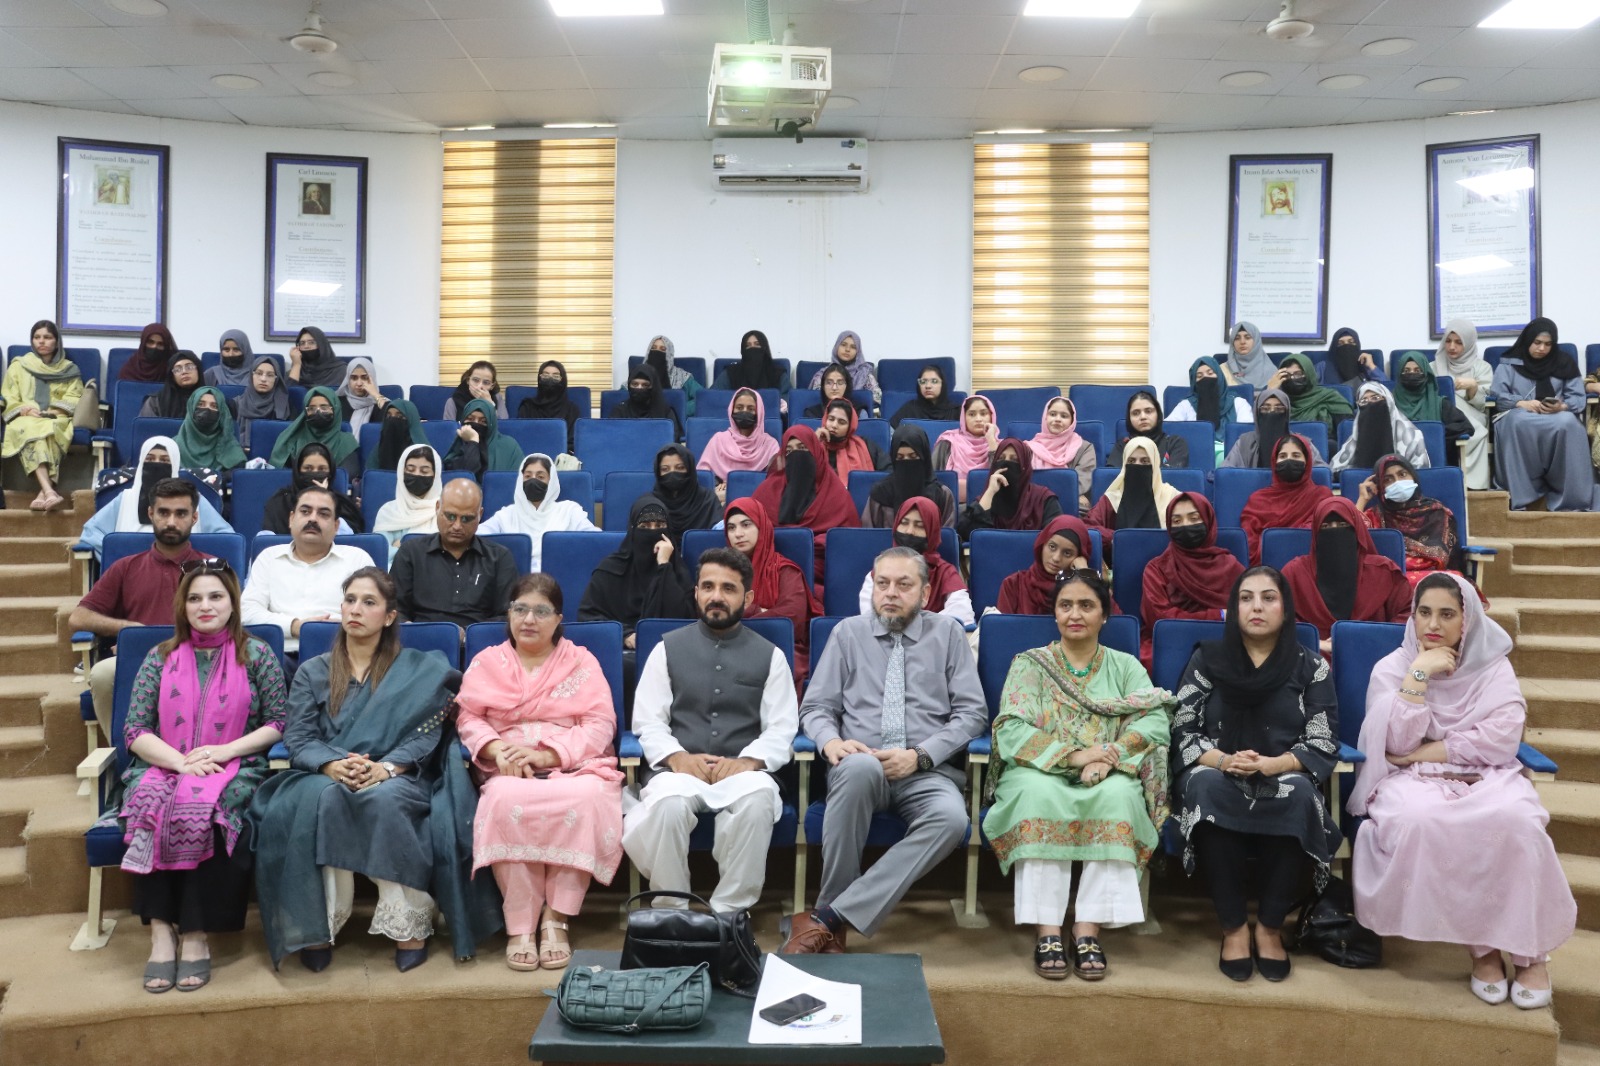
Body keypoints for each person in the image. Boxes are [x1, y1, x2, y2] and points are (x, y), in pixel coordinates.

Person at [249, 568, 497, 971]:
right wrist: (332, 765)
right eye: (350, 600)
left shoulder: (418, 670)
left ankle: (408, 923)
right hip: (325, 774)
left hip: (398, 776)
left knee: (384, 801)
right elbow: (299, 737)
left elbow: (426, 735)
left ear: (389, 616)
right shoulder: (313, 671)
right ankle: (320, 923)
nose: (355, 610)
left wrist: (386, 768)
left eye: (369, 602)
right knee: (324, 800)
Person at [1350, 573, 1575, 1009]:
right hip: (1410, 780)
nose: (1433, 624)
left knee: (1518, 821)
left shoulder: (1493, 668)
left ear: (1467, 621)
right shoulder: (1393, 668)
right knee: (1420, 819)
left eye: (1447, 614)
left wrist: (1428, 750)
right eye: (1424, 612)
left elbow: (1502, 738)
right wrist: (1419, 673)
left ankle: (1529, 953)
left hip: (1487, 773)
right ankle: (1483, 949)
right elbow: (1395, 744)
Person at [783, 547, 987, 954]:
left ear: (925, 593)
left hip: (925, 770)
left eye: (903, 584)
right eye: (883, 584)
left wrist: (920, 755)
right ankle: (833, 916)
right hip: (862, 763)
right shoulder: (848, 634)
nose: (891, 593)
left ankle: (829, 918)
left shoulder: (948, 635)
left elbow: (972, 713)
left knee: (951, 819)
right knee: (859, 769)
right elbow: (816, 708)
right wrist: (832, 742)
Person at [982, 568, 1171, 980]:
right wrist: (1075, 756)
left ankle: (1087, 928)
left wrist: (1111, 757)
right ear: (1054, 613)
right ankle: (1048, 929)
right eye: (1065, 605)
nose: (1075, 614)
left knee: (1119, 797)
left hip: (1107, 770)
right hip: (1041, 768)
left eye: (1087, 605)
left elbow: (1155, 720)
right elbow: (1010, 728)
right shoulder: (1030, 664)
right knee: (1035, 795)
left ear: (1104, 615)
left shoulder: (1124, 666)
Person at [118, 560, 288, 993]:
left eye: (216, 596)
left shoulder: (258, 655)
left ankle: (195, 933)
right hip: (164, 763)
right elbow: (135, 730)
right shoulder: (160, 657)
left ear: (233, 603)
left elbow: (278, 722)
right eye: (194, 598)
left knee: (208, 806)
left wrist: (224, 751)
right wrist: (180, 763)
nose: (205, 606)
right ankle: (161, 932)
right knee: (151, 804)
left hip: (235, 763)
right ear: (182, 605)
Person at [1170, 566, 1342, 982]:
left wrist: (1273, 764)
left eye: (1268, 598)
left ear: (1286, 608)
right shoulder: (1207, 659)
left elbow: (1322, 739)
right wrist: (1223, 760)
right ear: (1233, 608)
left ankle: (1268, 927)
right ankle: (1233, 928)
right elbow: (1182, 729)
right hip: (1217, 769)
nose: (1257, 607)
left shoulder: (1310, 666)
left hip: (1283, 771)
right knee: (1208, 788)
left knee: (1297, 794)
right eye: (1246, 598)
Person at [457, 573, 624, 971]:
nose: (529, 619)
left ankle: (556, 917)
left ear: (558, 618)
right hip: (508, 765)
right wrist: (497, 750)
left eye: (541, 611)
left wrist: (548, 755)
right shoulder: (488, 662)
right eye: (520, 609)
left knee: (587, 799)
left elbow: (600, 724)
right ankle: (520, 924)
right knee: (504, 800)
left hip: (574, 764)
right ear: (508, 613)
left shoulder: (580, 661)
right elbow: (468, 717)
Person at [624, 548, 798, 912]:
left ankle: (729, 914)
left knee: (758, 802)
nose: (716, 596)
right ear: (697, 592)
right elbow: (648, 720)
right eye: (708, 586)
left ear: (747, 598)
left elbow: (782, 727)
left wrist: (748, 761)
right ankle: (671, 910)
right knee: (668, 807)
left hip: (742, 773)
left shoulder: (770, 656)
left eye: (728, 588)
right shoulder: (666, 649)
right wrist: (677, 757)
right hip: (679, 772)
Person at [70, 478, 212, 742]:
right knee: (102, 673)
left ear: (194, 517)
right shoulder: (126, 567)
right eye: (163, 513)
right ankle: (124, 751)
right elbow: (78, 617)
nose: (171, 522)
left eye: (181, 514)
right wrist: (129, 632)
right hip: (140, 659)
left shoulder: (211, 568)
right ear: (150, 514)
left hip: (200, 658)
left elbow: (233, 623)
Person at [241, 484, 376, 657]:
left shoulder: (357, 559)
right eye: (305, 512)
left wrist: (322, 632)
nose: (313, 519)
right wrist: (295, 626)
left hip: (339, 655)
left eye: (323, 514)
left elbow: (372, 612)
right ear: (291, 519)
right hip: (277, 656)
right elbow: (247, 612)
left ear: (336, 526)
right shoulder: (269, 557)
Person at [1281, 496, 1412, 651]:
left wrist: (1370, 640)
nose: (1335, 532)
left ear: (1357, 530)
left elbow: (1408, 615)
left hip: (1373, 653)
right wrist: (1315, 643)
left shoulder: (1384, 571)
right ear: (1316, 533)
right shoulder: (1295, 573)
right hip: (1310, 654)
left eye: (1343, 525)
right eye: (1326, 526)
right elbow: (1280, 619)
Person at [1492, 317, 1592, 512]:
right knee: (1514, 421)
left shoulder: (1564, 362)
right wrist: (1521, 402)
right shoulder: (1509, 362)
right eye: (1537, 342)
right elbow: (1497, 396)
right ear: (1528, 340)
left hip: (1556, 415)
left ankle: (1570, 498)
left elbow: (1579, 398)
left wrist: (1561, 407)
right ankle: (1523, 496)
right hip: (1521, 413)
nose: (1542, 348)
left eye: (1548, 344)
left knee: (1569, 423)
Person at [390, 478, 518, 629]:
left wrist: (470, 634)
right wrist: (412, 631)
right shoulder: (410, 553)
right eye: (450, 516)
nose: (457, 526)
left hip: (479, 641)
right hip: (420, 640)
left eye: (466, 519)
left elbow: (507, 615)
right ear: (437, 508)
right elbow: (394, 608)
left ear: (480, 515)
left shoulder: (499, 558)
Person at [578, 495, 694, 660]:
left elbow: (684, 620)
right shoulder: (610, 570)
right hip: (620, 656)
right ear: (633, 530)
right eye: (644, 526)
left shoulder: (678, 571)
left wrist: (664, 565)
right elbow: (587, 616)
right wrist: (624, 634)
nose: (652, 532)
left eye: (660, 526)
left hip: (669, 654)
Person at [76, 438, 232, 560]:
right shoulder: (125, 499)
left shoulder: (192, 498)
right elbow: (92, 532)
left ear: (175, 465)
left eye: (164, 461)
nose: (156, 465)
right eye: (149, 460)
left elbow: (226, 537)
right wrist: (120, 556)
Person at [1140, 493, 1243, 662]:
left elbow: (1244, 612)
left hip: (1224, 640)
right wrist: (1218, 615)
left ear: (1208, 521)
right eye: (1177, 521)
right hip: (1173, 641)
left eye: (1194, 518)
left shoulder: (1231, 566)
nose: (1186, 525)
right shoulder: (1156, 569)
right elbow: (1160, 619)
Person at [723, 497, 819, 679]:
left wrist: (744, 613)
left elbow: (792, 615)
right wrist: (759, 610)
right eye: (731, 528)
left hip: (778, 645)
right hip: (728, 644)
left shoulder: (784, 570)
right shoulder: (721, 572)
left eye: (746, 525)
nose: (738, 534)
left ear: (761, 527)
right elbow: (714, 611)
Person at [752, 426, 861, 571]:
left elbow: (848, 543)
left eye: (802, 448)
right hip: (772, 569)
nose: (796, 455)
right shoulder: (767, 491)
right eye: (789, 451)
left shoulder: (836, 494)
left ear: (815, 452)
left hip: (823, 571)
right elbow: (753, 533)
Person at [1354, 453, 1469, 588]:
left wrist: (1399, 563)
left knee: (1455, 580)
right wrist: (1362, 500)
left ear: (1413, 477)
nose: (1397, 482)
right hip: (1390, 575)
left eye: (1402, 474)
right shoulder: (1374, 515)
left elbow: (1442, 557)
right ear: (1380, 487)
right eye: (1388, 479)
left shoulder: (1437, 511)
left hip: (1433, 577)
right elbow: (1353, 540)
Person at [4, 319, 82, 510]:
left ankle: (44, 493)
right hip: (25, 418)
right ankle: (48, 490)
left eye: (47, 337)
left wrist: (54, 411)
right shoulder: (19, 366)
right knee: (35, 431)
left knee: (50, 429)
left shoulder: (69, 369)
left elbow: (75, 396)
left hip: (56, 417)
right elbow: (9, 395)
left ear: (57, 341)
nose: (41, 341)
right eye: (37, 337)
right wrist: (24, 409)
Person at [859, 497, 971, 627]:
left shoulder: (944, 572)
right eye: (904, 523)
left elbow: (962, 613)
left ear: (931, 532)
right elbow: (869, 616)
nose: (909, 531)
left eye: (919, 526)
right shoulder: (880, 570)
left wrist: (915, 628)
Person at [480, 452, 598, 571]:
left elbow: (594, 538)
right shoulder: (507, 514)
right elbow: (479, 534)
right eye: (528, 476)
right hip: (517, 576)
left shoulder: (569, 510)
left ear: (551, 481)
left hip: (558, 573)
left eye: (540, 477)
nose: (533, 481)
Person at [1239, 434, 1332, 563]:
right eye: (1283, 456)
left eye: (1296, 456)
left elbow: (1323, 536)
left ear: (1307, 461)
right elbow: (1248, 543)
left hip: (1310, 565)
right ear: (1274, 461)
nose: (1289, 460)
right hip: (1266, 568)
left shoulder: (1322, 496)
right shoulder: (1258, 500)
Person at [1084, 437, 1179, 561]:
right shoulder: (1112, 498)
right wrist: (1116, 538)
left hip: (1165, 564)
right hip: (1120, 563)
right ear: (1124, 465)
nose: (1137, 465)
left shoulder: (1171, 496)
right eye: (1131, 461)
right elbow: (1087, 527)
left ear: (1155, 464)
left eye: (1145, 461)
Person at [958, 437, 1062, 538]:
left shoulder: (1043, 499)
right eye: (1001, 458)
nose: (1006, 463)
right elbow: (966, 534)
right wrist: (990, 492)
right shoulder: (986, 499)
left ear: (1025, 467)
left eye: (1014, 460)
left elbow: (1056, 535)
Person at [1434, 318, 1493, 490]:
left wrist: (1473, 386)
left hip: (1473, 417)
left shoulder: (1482, 368)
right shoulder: (1432, 367)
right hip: (1443, 417)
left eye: (1459, 342)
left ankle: (1474, 487)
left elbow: (1483, 405)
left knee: (1477, 431)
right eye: (1448, 341)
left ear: (1468, 343)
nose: (1452, 347)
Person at [997, 516, 1093, 616]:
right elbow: (1002, 626)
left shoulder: (1081, 592)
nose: (1056, 558)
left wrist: (1085, 574)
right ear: (1042, 545)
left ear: (1079, 557)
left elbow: (1101, 620)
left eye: (1067, 553)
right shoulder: (1013, 585)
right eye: (1052, 547)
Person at [261, 442, 363, 537]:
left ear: (330, 472)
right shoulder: (280, 502)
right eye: (308, 468)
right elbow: (266, 540)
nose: (315, 473)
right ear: (298, 471)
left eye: (321, 469)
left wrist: (324, 498)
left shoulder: (343, 504)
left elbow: (349, 539)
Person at [863, 424, 955, 528]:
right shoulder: (880, 493)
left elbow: (946, 534)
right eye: (900, 457)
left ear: (924, 457)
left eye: (913, 456)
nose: (907, 463)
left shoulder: (941, 495)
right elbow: (869, 533)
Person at [1330, 381, 1430, 474]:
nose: (1370, 404)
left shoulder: (1412, 436)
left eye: (1375, 398)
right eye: (1364, 401)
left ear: (1388, 401)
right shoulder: (1354, 439)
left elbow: (1420, 473)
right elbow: (1336, 470)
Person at [269, 386, 361, 486]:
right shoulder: (293, 439)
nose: (318, 412)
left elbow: (346, 476)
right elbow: (280, 474)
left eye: (324, 407)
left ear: (335, 409)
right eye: (312, 408)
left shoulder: (347, 442)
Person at [1220, 388, 1329, 470]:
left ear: (1287, 412)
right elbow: (1226, 473)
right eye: (1265, 408)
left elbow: (1322, 472)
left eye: (1279, 408)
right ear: (1257, 413)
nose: (1272, 412)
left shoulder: (1301, 443)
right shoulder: (1244, 443)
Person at [1167, 357, 1252, 459]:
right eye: (1199, 376)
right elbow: (1168, 429)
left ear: (1219, 376)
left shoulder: (1238, 403)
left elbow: (1247, 433)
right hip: (1196, 457)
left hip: (1233, 457)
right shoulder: (1187, 405)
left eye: (1210, 373)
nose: (1205, 378)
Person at [697, 387, 779, 489]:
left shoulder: (770, 444)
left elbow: (775, 478)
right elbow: (703, 474)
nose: (744, 412)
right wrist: (718, 484)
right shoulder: (718, 440)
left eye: (751, 409)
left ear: (759, 412)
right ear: (732, 411)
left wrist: (735, 484)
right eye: (739, 408)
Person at [1028, 397, 1096, 514]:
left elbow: (1081, 482)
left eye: (1064, 416)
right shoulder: (1029, 448)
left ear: (1072, 421)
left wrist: (1072, 494)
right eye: (1053, 414)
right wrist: (1073, 494)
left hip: (1069, 506)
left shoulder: (1084, 448)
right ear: (1045, 417)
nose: (1057, 419)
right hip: (1034, 505)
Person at [372, 444, 442, 551]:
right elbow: (381, 552)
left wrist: (403, 546)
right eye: (410, 470)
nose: (417, 475)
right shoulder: (388, 511)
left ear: (435, 475)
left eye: (424, 471)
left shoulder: (443, 512)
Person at [1269, 353, 1353, 438]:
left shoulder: (1330, 397)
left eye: (1298, 374)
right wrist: (1270, 392)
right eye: (1286, 375)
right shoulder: (1278, 401)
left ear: (1309, 374)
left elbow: (1347, 434)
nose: (1292, 378)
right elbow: (1266, 430)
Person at [933, 396, 999, 504]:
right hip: (952, 506)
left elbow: (1002, 479)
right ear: (963, 418)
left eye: (983, 414)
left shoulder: (1000, 446)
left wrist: (991, 441)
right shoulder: (948, 441)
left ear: (991, 416)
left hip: (990, 505)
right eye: (971, 414)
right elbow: (933, 477)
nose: (978, 419)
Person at [444, 397, 523, 479]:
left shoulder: (509, 446)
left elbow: (519, 480)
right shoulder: (457, 446)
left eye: (483, 421)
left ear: (491, 424)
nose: (476, 423)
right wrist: (472, 442)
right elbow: (465, 477)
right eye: (470, 419)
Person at [653, 443, 720, 541]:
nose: (672, 473)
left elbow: (718, 537)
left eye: (680, 468)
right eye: (665, 469)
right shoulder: (652, 504)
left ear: (690, 470)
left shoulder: (708, 500)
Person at [174, 386, 247, 474]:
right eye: (201, 404)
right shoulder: (171, 448)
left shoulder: (232, 451)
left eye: (214, 406)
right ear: (191, 408)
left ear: (221, 413)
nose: (207, 409)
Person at [517, 360, 584, 453]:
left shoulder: (572, 410)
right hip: (532, 455)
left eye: (556, 376)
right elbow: (521, 437)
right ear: (539, 378)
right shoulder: (527, 407)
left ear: (563, 380)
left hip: (562, 457)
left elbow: (574, 443)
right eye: (545, 375)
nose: (550, 379)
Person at [1109, 389, 1189, 468]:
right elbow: (1112, 474)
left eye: (1148, 411)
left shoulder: (1174, 444)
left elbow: (1174, 474)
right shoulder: (1122, 447)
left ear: (1158, 414)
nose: (1143, 417)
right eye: (1135, 413)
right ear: (1129, 418)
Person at [817, 400, 885, 482]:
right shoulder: (815, 445)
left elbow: (887, 473)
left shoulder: (866, 445)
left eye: (841, 422)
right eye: (831, 419)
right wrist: (812, 442)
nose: (834, 425)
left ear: (850, 426)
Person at [235, 355, 294, 450]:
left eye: (270, 375)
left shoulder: (285, 407)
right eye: (259, 373)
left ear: (276, 379)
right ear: (251, 376)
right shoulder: (236, 404)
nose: (263, 379)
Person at [608, 363, 683, 438]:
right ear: (629, 385)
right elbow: (612, 436)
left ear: (653, 387)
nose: (639, 388)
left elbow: (673, 438)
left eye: (645, 385)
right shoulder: (620, 411)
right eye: (635, 384)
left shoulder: (665, 412)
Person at [808, 330, 879, 405]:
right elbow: (816, 399)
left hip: (856, 411)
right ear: (836, 347)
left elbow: (878, 399)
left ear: (858, 352)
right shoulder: (824, 374)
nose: (847, 349)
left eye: (853, 347)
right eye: (843, 345)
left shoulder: (864, 374)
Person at [713, 330, 791, 397]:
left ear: (765, 347)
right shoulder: (731, 373)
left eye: (757, 344)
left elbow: (788, 399)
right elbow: (714, 396)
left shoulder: (778, 374)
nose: (752, 348)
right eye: (748, 345)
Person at [365, 397, 428, 474]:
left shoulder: (423, 452)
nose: (392, 421)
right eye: (389, 416)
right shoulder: (379, 448)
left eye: (400, 417)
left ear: (411, 420)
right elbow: (371, 476)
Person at [645, 335, 704, 417]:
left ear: (670, 354)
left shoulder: (682, 377)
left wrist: (679, 409)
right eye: (653, 348)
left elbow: (703, 397)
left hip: (676, 421)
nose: (657, 352)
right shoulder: (638, 374)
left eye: (663, 349)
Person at [887, 363, 960, 426]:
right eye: (923, 382)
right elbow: (889, 431)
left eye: (934, 381)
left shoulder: (956, 411)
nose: (928, 386)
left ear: (943, 385)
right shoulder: (910, 409)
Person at [138, 351, 204, 418]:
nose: (184, 372)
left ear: (198, 370)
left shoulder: (209, 399)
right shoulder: (155, 401)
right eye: (177, 369)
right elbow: (146, 424)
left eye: (189, 367)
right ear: (172, 377)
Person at [1319, 328, 1389, 387]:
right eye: (1340, 344)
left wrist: (1371, 365)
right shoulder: (1323, 367)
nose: (1346, 347)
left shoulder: (1365, 367)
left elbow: (1386, 388)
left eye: (1351, 342)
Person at [442, 360, 509, 421]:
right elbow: (449, 429)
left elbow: (505, 425)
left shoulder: (497, 398)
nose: (479, 386)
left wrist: (490, 404)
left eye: (486, 382)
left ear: (492, 386)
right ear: (468, 381)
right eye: (475, 380)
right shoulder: (453, 401)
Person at [337, 357, 389, 431]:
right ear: (348, 379)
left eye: (364, 378)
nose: (359, 383)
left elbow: (392, 419)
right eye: (354, 378)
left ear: (372, 378)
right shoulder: (337, 403)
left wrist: (376, 394)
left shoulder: (380, 404)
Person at [804, 364, 869, 419]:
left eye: (840, 383)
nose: (834, 388)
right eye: (829, 383)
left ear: (847, 386)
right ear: (823, 386)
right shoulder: (812, 414)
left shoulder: (859, 413)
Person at [1222, 321, 1272, 389]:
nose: (1242, 342)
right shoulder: (1223, 370)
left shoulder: (1271, 371)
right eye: (1237, 338)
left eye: (1247, 337)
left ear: (1256, 341)